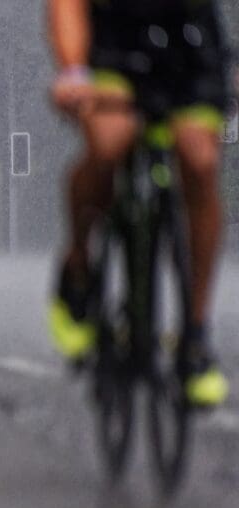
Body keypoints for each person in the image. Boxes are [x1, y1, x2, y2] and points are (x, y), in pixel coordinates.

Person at [47, 0, 231, 406]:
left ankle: (195, 338)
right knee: (110, 144)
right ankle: (77, 271)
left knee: (200, 161)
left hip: (190, 42)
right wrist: (73, 71)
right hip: (116, 43)